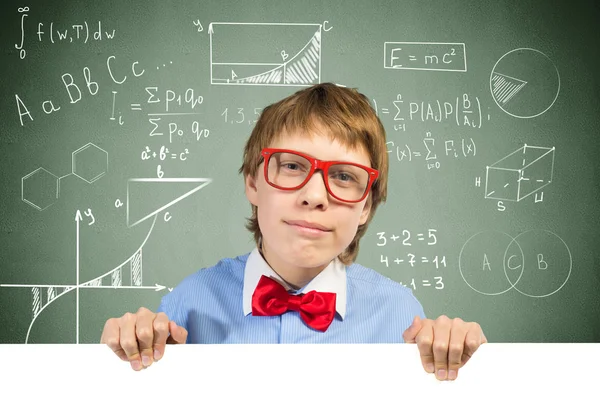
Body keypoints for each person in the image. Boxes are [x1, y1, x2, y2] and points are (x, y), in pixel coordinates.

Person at [101, 82, 487, 381]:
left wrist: (466, 362)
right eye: (291, 167)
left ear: (365, 206)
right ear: (253, 181)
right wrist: (124, 351)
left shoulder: (400, 315)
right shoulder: (189, 305)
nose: (314, 196)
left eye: (343, 176)